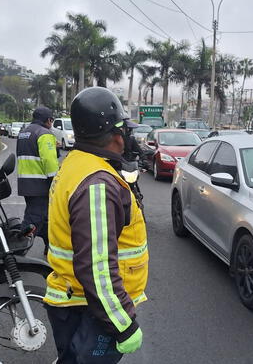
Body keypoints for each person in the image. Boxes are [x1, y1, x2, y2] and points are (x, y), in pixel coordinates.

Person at [44, 87, 148, 364]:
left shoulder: (77, 163)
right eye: (125, 132)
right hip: (89, 309)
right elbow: (95, 266)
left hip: (77, 301)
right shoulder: (97, 184)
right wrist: (122, 324)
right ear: (115, 136)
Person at [16, 107, 58, 255]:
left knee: (46, 218)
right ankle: (17, 252)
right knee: (33, 220)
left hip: (26, 183)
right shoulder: (44, 134)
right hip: (40, 184)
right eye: (51, 120)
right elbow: (49, 161)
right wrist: (56, 180)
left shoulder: (24, 133)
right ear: (48, 120)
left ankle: (51, 248)